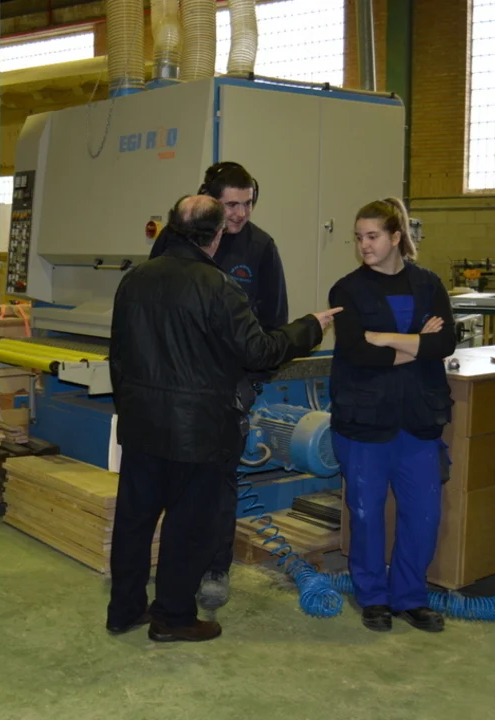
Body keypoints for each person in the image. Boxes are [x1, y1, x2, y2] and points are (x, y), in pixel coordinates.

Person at [107, 195, 339, 642]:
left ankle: (124, 611)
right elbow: (259, 351)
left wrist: (131, 407)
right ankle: (173, 619)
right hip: (197, 433)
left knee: (134, 522)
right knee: (188, 526)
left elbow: (118, 355)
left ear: (173, 227)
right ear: (216, 236)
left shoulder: (134, 280)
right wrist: (310, 326)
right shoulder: (217, 285)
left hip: (140, 426)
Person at [152, 161, 290, 612]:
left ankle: (215, 568)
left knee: (220, 485)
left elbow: (275, 323)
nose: (240, 213)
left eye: (248, 203)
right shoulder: (174, 241)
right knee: (174, 481)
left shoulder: (261, 247)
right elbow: (154, 306)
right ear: (208, 200)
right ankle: (175, 570)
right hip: (176, 387)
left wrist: (251, 383)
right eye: (231, 204)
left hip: (228, 391)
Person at [328, 197, 457, 634]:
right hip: (365, 421)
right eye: (359, 237)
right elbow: (357, 352)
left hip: (418, 420)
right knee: (366, 514)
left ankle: (409, 596)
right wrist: (417, 343)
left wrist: (385, 337)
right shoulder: (347, 290)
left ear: (396, 237)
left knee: (423, 515)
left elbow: (445, 344)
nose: (364, 245)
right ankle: (373, 597)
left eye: (373, 236)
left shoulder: (428, 284)